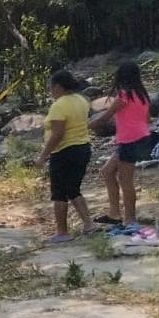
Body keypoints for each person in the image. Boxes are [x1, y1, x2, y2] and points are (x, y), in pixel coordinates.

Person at [33, 69, 98, 244]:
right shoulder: (81, 100)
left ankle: (65, 231)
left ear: (59, 87)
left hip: (64, 152)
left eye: (52, 87)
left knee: (60, 193)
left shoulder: (59, 105)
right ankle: (86, 225)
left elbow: (57, 134)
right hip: (82, 148)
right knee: (72, 188)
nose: (51, 91)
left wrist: (43, 156)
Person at [91, 61, 151, 228]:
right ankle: (114, 213)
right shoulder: (143, 96)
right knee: (107, 172)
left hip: (130, 141)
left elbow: (104, 118)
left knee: (126, 180)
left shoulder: (124, 96)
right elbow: (146, 120)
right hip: (140, 138)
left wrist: (83, 126)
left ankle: (130, 219)